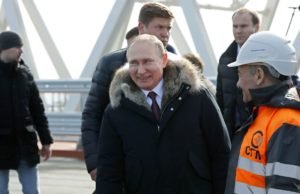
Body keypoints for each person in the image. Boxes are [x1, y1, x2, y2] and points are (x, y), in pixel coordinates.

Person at [95, 34, 230, 194]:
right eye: (134, 63)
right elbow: (108, 171)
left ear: (164, 60)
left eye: (147, 61)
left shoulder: (197, 97)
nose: (140, 70)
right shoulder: (116, 111)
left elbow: (221, 153)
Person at [81, 2, 176, 183]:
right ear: (142, 27)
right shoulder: (110, 64)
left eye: (168, 28)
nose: (165, 33)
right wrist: (94, 162)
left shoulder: (179, 64)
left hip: (165, 165)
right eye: (159, 27)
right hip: (121, 160)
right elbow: (92, 114)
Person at [225, 31, 300, 194]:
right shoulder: (267, 115)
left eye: (239, 74)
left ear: (258, 75)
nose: (238, 84)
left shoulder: (287, 123)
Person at [0, 31, 53, 194]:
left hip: (25, 144)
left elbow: (38, 110)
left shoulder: (26, 74)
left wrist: (46, 141)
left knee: (32, 191)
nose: (21, 51)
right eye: (17, 47)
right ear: (4, 48)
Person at [216, 8, 260, 139]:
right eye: (235, 26)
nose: (238, 31)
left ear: (256, 27)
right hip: (231, 132)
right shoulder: (225, 59)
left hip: (258, 129)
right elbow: (220, 97)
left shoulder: (267, 56)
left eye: (243, 26)